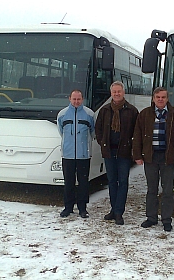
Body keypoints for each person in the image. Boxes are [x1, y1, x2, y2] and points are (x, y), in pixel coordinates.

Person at [133, 87, 174, 232]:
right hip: (151, 156)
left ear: (167, 99)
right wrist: (137, 155)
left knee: (168, 190)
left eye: (163, 97)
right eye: (158, 97)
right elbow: (137, 136)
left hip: (168, 157)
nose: (160, 99)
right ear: (153, 99)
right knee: (151, 189)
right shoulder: (145, 114)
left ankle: (166, 219)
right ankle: (151, 217)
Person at [95, 81, 138, 225]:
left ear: (123, 92)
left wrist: (132, 147)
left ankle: (119, 212)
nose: (117, 94)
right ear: (111, 93)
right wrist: (102, 142)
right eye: (114, 92)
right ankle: (113, 209)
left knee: (123, 182)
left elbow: (136, 131)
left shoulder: (131, 111)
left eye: (119, 91)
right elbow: (98, 129)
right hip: (109, 151)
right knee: (112, 182)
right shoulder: (105, 110)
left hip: (124, 152)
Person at [57, 89, 95, 218]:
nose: (76, 101)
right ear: (69, 99)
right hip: (67, 154)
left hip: (83, 154)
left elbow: (92, 132)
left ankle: (82, 208)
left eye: (78, 99)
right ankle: (68, 207)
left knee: (83, 182)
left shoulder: (89, 114)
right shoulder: (62, 114)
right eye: (74, 99)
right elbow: (61, 131)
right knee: (68, 182)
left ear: (82, 99)